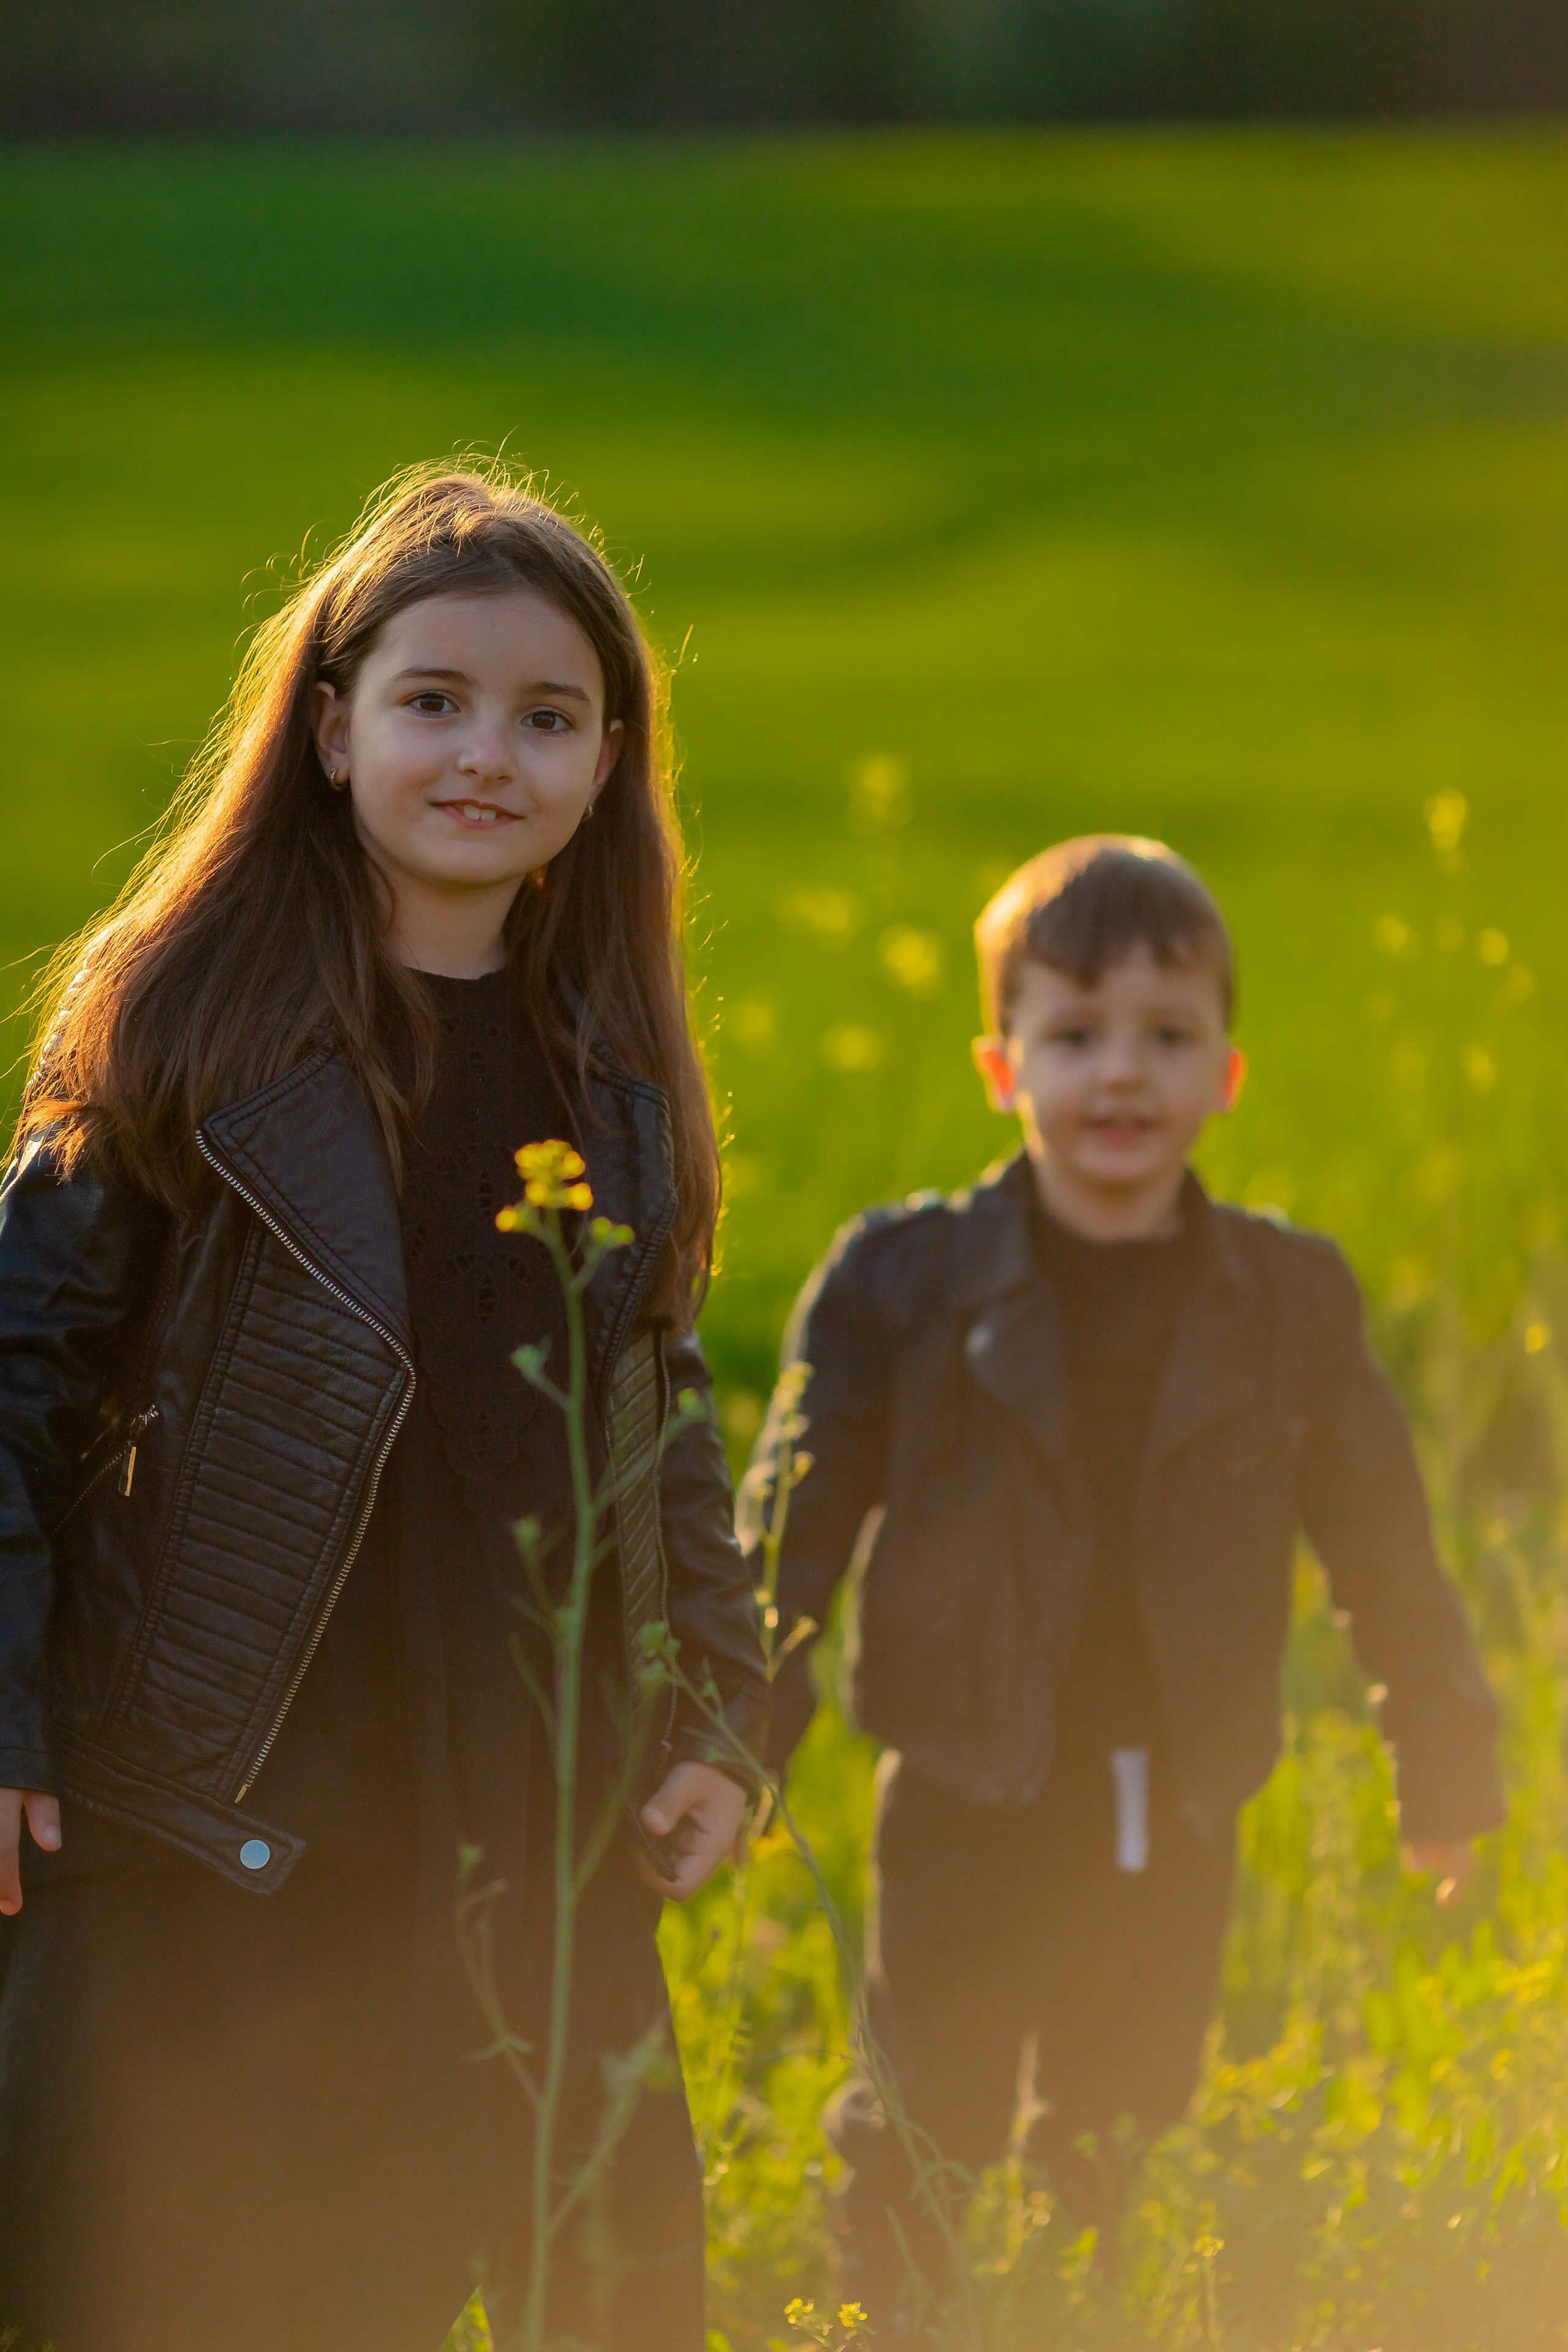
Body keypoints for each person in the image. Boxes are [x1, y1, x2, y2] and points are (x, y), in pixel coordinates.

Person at [0, 466, 768, 2352]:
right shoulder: (182, 1025)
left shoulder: (615, 1078)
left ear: (607, 767)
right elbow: (13, 1388)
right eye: (436, 701)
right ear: (333, 729)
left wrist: (723, 1719)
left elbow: (660, 1413)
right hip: (222, 1827)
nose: (487, 754)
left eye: (547, 717)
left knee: (599, 2298)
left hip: (528, 1834)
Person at [751, 834, 1504, 2320]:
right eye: (1074, 1034)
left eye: (1165, 1037)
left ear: (1224, 1074)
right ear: (1000, 1066)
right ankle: (888, 2327)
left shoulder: (1286, 1298)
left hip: (1174, 1787)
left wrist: (1442, 1765)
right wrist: (732, 1743)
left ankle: (1071, 2320)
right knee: (922, 2111)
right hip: (962, 1778)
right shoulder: (900, 1281)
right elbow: (790, 1532)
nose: (1118, 1075)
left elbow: (1384, 1550)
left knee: (1116, 2116)